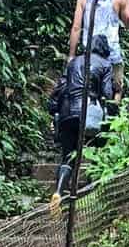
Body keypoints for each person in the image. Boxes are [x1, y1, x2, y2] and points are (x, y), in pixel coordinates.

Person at [47, 32, 117, 206]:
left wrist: (54, 112)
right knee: (96, 150)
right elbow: (107, 93)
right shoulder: (105, 64)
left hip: (67, 113)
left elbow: (60, 87)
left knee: (67, 156)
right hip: (88, 114)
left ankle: (58, 192)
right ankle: (91, 193)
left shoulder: (73, 62)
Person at [67, 0, 129, 101]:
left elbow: (76, 27)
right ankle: (114, 115)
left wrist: (71, 55)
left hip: (89, 53)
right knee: (116, 88)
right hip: (112, 52)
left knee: (88, 89)